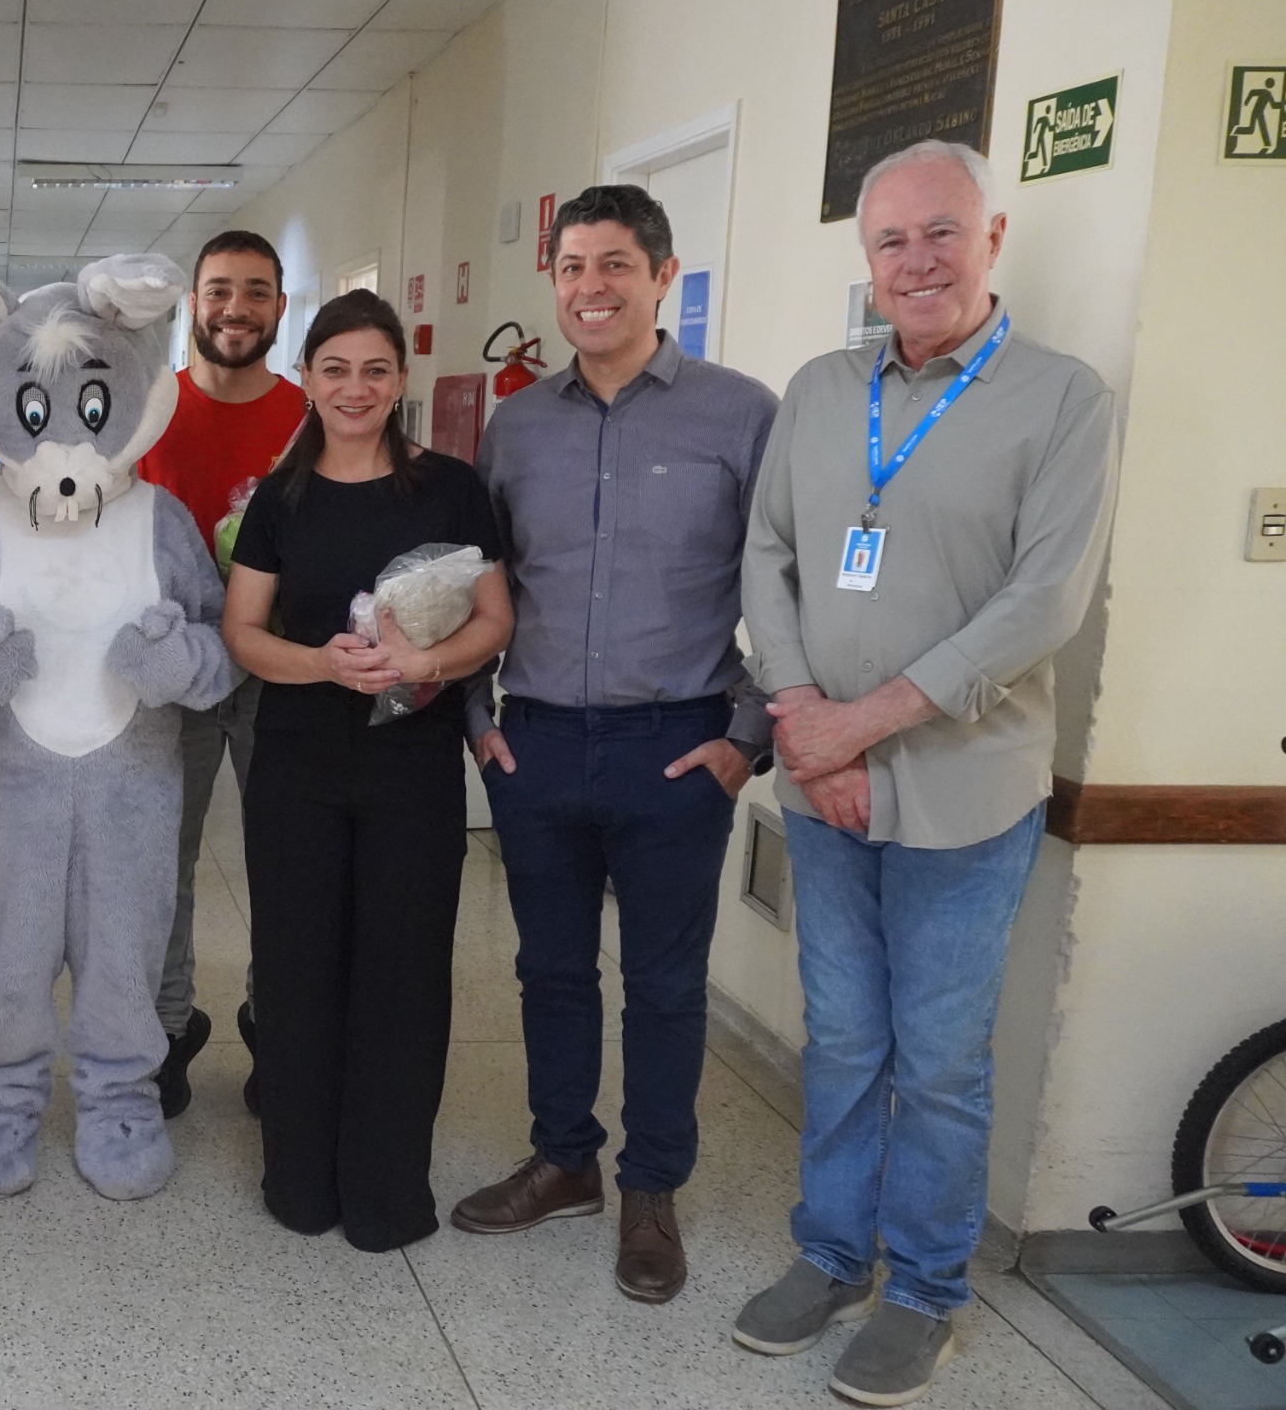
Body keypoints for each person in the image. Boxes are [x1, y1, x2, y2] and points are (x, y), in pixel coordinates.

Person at [732, 140, 1117, 1407]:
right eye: (891, 242)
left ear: (991, 236)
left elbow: (1039, 603)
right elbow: (768, 557)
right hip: (823, 784)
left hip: (963, 793)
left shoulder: (1062, 401)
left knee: (939, 1058)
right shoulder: (820, 388)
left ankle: (925, 1292)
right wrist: (802, 716)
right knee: (840, 1037)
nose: (917, 263)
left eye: (941, 234)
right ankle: (834, 1255)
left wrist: (866, 725)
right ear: (866, 258)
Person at [450, 184, 781, 1305]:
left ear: (661, 277)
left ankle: (651, 1188)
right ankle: (564, 1161)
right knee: (549, 970)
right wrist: (476, 717)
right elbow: (472, 583)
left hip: (676, 746)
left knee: (664, 984)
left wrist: (749, 736)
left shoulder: (742, 414)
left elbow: (779, 590)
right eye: (571, 267)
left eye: (612, 266)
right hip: (536, 744)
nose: (589, 288)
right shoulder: (518, 426)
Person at [220, 290, 513, 1252]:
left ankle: (388, 1191)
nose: (355, 388)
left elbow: (494, 618)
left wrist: (423, 664)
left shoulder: (451, 489)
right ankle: (301, 1180)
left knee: (404, 974)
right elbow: (242, 632)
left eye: (375, 370)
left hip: (412, 768)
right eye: (335, 369)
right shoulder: (282, 497)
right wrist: (322, 664)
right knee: (301, 973)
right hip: (297, 762)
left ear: (400, 383)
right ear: (309, 377)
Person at [132, 229, 309, 1119]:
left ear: (280, 305)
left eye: (255, 291)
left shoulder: (312, 417)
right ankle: (167, 1030)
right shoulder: (143, 408)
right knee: (163, 860)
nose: (234, 308)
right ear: (190, 304)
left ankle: (274, 1026)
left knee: (283, 860)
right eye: (218, 291)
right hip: (170, 672)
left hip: (279, 669)